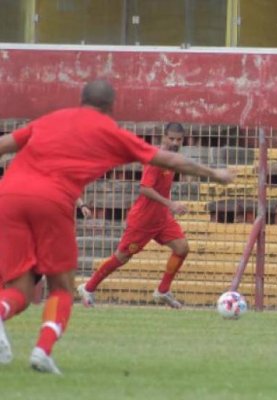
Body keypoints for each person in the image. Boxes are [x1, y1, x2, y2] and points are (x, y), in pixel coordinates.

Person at [0, 80, 235, 374]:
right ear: (111, 107)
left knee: (19, 287)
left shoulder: (51, 119)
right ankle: (42, 350)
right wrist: (215, 173)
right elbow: (169, 159)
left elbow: (6, 143)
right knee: (60, 286)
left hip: (7, 195)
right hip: (52, 200)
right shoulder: (111, 132)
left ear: (81, 99)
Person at [78, 122, 191, 309]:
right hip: (143, 221)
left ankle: (163, 290)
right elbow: (145, 188)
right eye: (171, 138)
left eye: (178, 139)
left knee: (182, 248)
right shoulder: (156, 159)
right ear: (163, 137)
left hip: (161, 219)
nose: (175, 142)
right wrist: (171, 204)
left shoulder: (172, 158)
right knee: (121, 257)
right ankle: (88, 288)